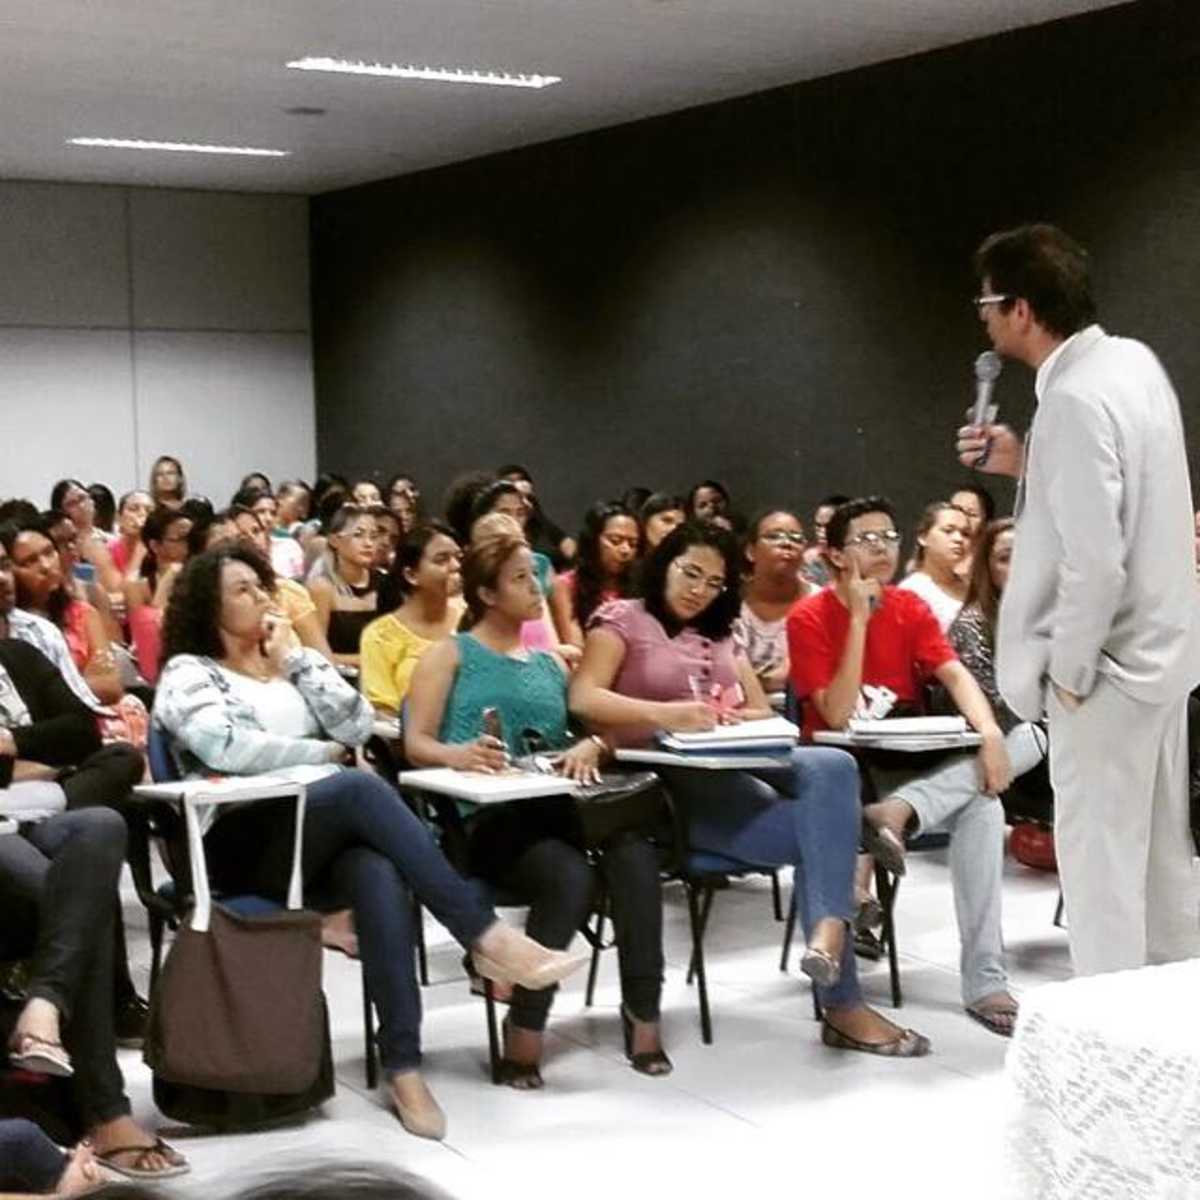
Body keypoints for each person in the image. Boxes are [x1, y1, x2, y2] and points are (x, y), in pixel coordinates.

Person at [152, 544, 584, 1139]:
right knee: (356, 786)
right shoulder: (189, 672)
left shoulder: (292, 663)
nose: (261, 598)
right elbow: (227, 749)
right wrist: (325, 755)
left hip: (310, 839)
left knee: (376, 871)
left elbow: (359, 724)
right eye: (242, 590)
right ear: (208, 607)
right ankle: (484, 935)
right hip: (238, 840)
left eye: (262, 586)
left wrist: (299, 662)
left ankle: (404, 1066)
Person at [570, 521, 929, 1056]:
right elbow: (584, 698)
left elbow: (758, 706)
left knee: (830, 763)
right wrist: (668, 714)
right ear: (663, 563)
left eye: (713, 582)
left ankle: (831, 925)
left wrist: (729, 716)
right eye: (689, 573)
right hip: (669, 786)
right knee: (827, 834)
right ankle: (843, 997)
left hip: (731, 764)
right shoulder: (623, 620)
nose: (699, 589)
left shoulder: (719, 630)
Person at [957, 223, 1200, 975]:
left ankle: (1118, 1060)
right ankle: (1177, 1050)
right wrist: (1024, 459)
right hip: (1163, 661)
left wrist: (1066, 671)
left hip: (1104, 676)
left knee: (1100, 885)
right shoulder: (1132, 366)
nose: (986, 321)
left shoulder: (1070, 400)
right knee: (1164, 872)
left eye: (988, 305)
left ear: (1021, 309)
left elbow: (1095, 560)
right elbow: (1126, 495)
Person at [405, 523, 669, 1084]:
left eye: (536, 577)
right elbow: (415, 743)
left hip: (559, 805)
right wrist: (460, 754)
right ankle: (526, 1024)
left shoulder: (550, 661)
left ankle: (643, 1010)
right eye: (520, 579)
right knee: (570, 875)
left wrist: (591, 743)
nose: (535, 589)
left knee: (635, 856)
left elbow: (592, 729)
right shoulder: (450, 656)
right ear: (486, 593)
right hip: (487, 817)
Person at [788, 496, 1035, 1037]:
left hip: (909, 760)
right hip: (841, 769)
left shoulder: (910, 607)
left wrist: (990, 733)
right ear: (833, 555)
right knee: (986, 808)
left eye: (889, 537)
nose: (882, 549)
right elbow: (833, 711)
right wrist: (857, 618)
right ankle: (985, 981)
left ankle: (898, 814)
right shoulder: (808, 616)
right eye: (866, 540)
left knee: (1023, 746)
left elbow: (954, 675)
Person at [948, 519, 1052, 825]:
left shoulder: (1054, 618)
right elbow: (1000, 710)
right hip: (1010, 749)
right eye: (1006, 558)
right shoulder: (972, 624)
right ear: (987, 569)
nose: (1019, 566)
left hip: (1061, 739)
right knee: (1036, 736)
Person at [360, 523, 464, 718]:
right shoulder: (380, 635)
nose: (456, 566)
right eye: (442, 559)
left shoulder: (472, 619)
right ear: (411, 575)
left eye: (458, 558)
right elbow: (384, 711)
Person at [733, 509, 814, 693]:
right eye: (774, 536)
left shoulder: (821, 603)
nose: (787, 543)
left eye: (796, 538)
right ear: (751, 551)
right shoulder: (727, 603)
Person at [549, 502, 640, 650]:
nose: (625, 550)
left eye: (633, 544)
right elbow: (575, 645)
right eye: (615, 541)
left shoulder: (639, 587)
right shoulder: (566, 585)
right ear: (593, 540)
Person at [306, 505, 382, 670]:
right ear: (335, 540)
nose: (368, 543)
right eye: (358, 535)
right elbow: (316, 654)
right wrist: (364, 659)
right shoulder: (321, 588)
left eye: (374, 536)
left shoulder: (385, 583)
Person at [123, 507, 193, 685]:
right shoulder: (136, 584)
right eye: (180, 539)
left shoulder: (200, 576)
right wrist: (167, 580)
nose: (189, 545)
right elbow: (149, 633)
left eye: (191, 538)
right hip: (155, 665)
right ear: (155, 546)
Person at [898, 501, 971, 632]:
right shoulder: (911, 591)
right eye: (948, 531)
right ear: (923, 537)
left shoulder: (972, 588)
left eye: (965, 533)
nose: (959, 539)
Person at [47, 483, 120, 595]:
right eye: (72, 504)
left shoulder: (112, 537)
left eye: (83, 498)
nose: (81, 506)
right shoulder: (71, 549)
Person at [496, 465, 575, 566]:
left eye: (520, 512)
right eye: (510, 482)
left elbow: (568, 546)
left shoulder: (539, 521)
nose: (518, 485)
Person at [801, 493, 850, 587]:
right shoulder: (807, 561)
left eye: (829, 526)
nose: (822, 532)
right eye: (818, 526)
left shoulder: (864, 561)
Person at [107, 492, 153, 578]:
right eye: (134, 509)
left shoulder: (159, 552)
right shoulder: (107, 552)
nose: (142, 514)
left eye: (149, 511)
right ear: (118, 517)